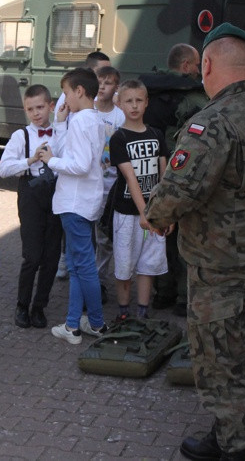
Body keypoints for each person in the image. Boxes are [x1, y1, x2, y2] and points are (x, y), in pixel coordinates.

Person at [145, 23, 245, 461]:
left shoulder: (210, 125)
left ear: (205, 65)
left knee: (218, 363)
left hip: (219, 267)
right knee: (233, 351)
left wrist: (157, 217)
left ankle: (238, 446)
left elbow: (179, 191)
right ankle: (226, 431)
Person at [41, 68, 108, 344]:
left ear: (79, 91)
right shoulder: (89, 119)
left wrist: (49, 161)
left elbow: (77, 164)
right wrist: (59, 122)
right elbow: (69, 150)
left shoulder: (82, 121)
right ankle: (74, 324)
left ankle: (96, 323)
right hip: (83, 201)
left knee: (83, 266)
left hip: (75, 202)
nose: (64, 98)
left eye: (66, 92)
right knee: (80, 265)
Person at [140, 42, 208, 316]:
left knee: (159, 232)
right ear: (185, 66)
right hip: (180, 172)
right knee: (184, 234)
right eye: (196, 63)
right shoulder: (192, 97)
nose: (199, 68)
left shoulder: (149, 91)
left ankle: (161, 292)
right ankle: (183, 296)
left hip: (150, 172)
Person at [0, 84, 62, 329]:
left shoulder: (60, 132)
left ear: (51, 106)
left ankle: (39, 307)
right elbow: (3, 169)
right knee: (32, 255)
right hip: (31, 193)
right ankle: (22, 305)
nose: (36, 113)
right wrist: (30, 159)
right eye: (30, 109)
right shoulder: (20, 136)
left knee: (52, 256)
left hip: (57, 193)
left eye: (40, 107)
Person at [109, 79, 169, 320]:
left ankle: (142, 314)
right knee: (124, 266)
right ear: (120, 104)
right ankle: (124, 313)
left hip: (155, 213)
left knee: (149, 264)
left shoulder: (157, 134)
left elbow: (164, 176)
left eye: (138, 100)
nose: (134, 106)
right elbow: (130, 177)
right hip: (127, 213)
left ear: (146, 103)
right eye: (129, 101)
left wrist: (165, 212)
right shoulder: (119, 137)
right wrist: (144, 212)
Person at [93, 65, 125, 300]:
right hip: (87, 185)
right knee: (87, 236)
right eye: (100, 81)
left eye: (109, 82)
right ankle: (85, 278)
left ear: (116, 87)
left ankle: (99, 281)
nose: (103, 86)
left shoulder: (120, 116)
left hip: (109, 185)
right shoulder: (87, 111)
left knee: (104, 237)